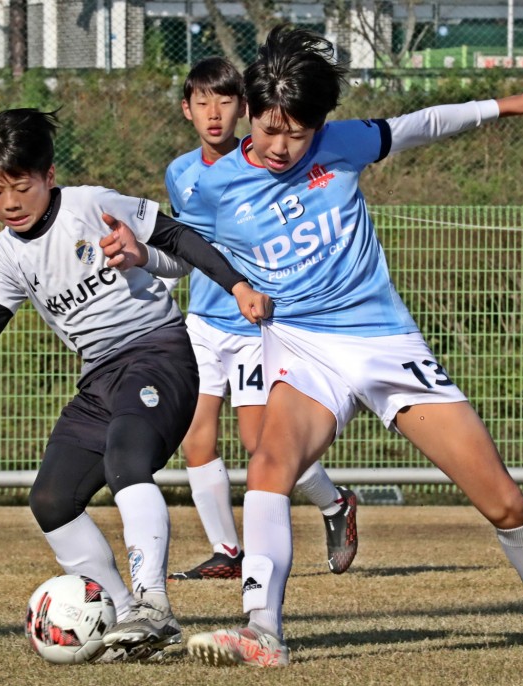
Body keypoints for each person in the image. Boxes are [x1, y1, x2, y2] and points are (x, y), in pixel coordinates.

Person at [105, 25, 523, 665]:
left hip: (384, 344)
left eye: (297, 134)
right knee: (269, 466)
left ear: (319, 124)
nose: (281, 147)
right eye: (270, 130)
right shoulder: (213, 186)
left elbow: (422, 123)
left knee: (498, 495)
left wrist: (513, 104)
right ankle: (262, 631)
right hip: (303, 348)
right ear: (250, 113)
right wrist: (144, 257)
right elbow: (192, 256)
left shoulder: (344, 143)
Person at [0, 107, 271, 662]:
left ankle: (152, 606)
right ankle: (126, 621)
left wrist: (235, 285)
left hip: (157, 353)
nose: (10, 202)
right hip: (99, 377)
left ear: (49, 175)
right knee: (51, 499)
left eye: (21, 186)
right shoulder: (9, 252)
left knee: (126, 460)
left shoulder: (90, 205)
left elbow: (178, 238)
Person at [166, 56, 359, 581]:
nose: (214, 113)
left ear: (245, 108)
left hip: (254, 329)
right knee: (196, 437)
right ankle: (228, 552)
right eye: (202, 102)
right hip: (204, 322)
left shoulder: (268, 165)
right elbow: (184, 244)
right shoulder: (181, 174)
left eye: (225, 101)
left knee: (261, 444)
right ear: (187, 109)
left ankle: (334, 502)